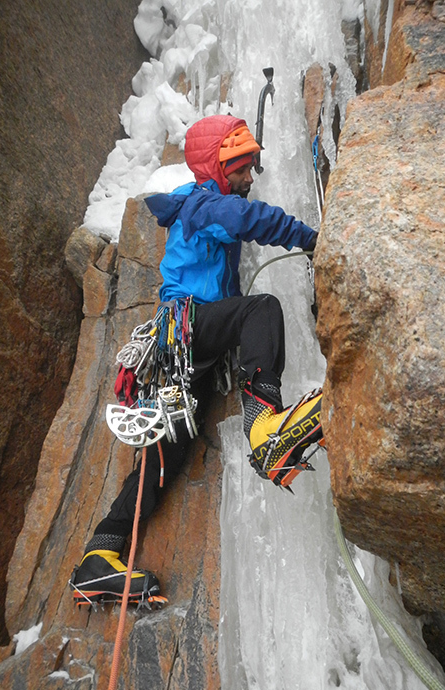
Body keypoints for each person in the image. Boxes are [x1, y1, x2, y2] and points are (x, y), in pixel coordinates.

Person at [71, 114, 324, 605]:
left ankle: (97, 558)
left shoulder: (200, 203)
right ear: (215, 166)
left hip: (183, 359)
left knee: (164, 460)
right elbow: (247, 220)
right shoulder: (204, 204)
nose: (249, 178)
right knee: (262, 310)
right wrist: (310, 238)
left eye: (251, 168)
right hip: (189, 329)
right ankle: (264, 428)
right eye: (240, 169)